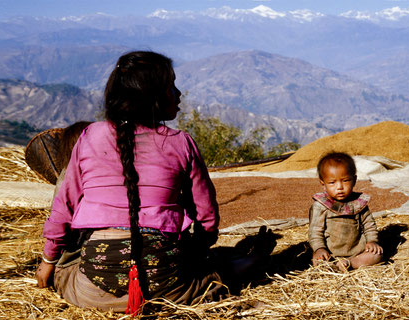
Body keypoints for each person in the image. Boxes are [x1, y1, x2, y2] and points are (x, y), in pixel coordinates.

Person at [35, 51, 275, 315]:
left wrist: (48, 260)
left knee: (66, 268)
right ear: (152, 97)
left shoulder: (91, 135)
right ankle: (245, 264)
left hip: (95, 293)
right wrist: (199, 253)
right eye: (171, 86)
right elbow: (206, 216)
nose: (179, 93)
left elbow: (64, 208)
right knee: (210, 274)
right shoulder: (181, 142)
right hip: (167, 284)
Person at [308, 152, 383, 271]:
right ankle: (331, 266)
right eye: (332, 183)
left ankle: (349, 263)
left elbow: (369, 226)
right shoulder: (321, 206)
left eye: (345, 180)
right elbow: (315, 232)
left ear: (354, 180)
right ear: (323, 184)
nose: (339, 187)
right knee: (318, 261)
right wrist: (319, 249)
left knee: (377, 255)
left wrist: (372, 241)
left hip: (358, 252)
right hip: (329, 254)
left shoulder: (359, 203)